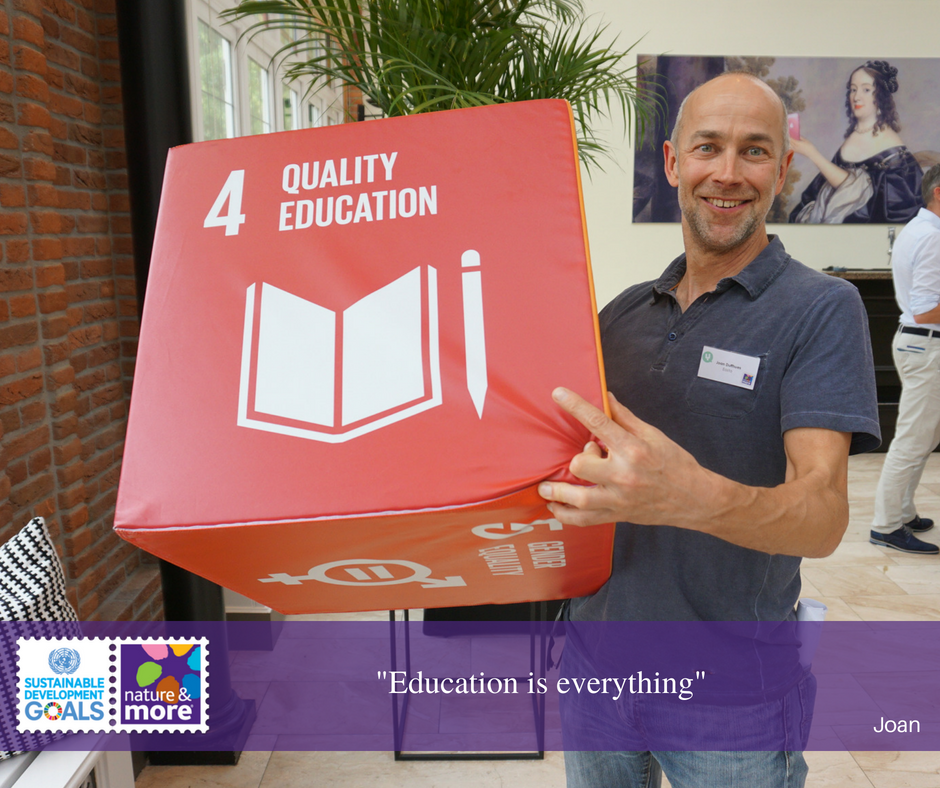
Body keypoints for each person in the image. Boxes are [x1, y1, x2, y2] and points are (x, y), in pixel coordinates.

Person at [538, 72, 880, 787]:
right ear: (672, 163)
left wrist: (688, 496)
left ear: (782, 171)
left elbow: (822, 516)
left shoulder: (822, 308)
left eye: (754, 151)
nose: (728, 173)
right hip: (594, 672)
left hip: (732, 701)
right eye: (707, 147)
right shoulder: (621, 314)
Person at [870, 164, 940, 554]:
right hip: (926, 345)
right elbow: (927, 310)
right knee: (914, 439)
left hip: (919, 344)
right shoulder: (932, 237)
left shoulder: (919, 229)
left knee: (926, 435)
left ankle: (904, 510)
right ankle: (886, 525)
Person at [788, 60, 923, 224]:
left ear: (880, 96)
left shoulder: (892, 150)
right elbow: (827, 188)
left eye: (866, 90)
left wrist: (812, 153)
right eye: (853, 89)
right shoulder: (854, 135)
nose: (856, 97)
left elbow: (856, 192)